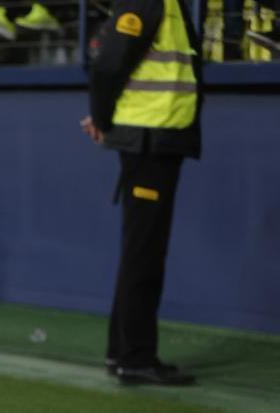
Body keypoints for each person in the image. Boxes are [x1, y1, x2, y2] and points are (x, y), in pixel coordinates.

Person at [80, 0, 200, 386]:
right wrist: (101, 118)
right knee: (144, 253)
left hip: (158, 138)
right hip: (150, 139)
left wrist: (104, 117)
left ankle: (124, 353)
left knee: (141, 251)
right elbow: (108, 62)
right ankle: (135, 357)